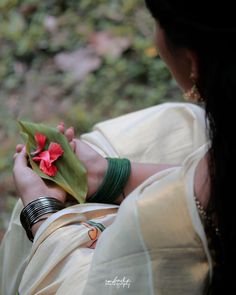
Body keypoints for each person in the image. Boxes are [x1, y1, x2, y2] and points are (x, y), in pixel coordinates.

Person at [0, 0, 235, 294]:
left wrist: (42, 214)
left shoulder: (158, 227)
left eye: (157, 21)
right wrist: (111, 176)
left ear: (192, 61)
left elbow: (106, 286)